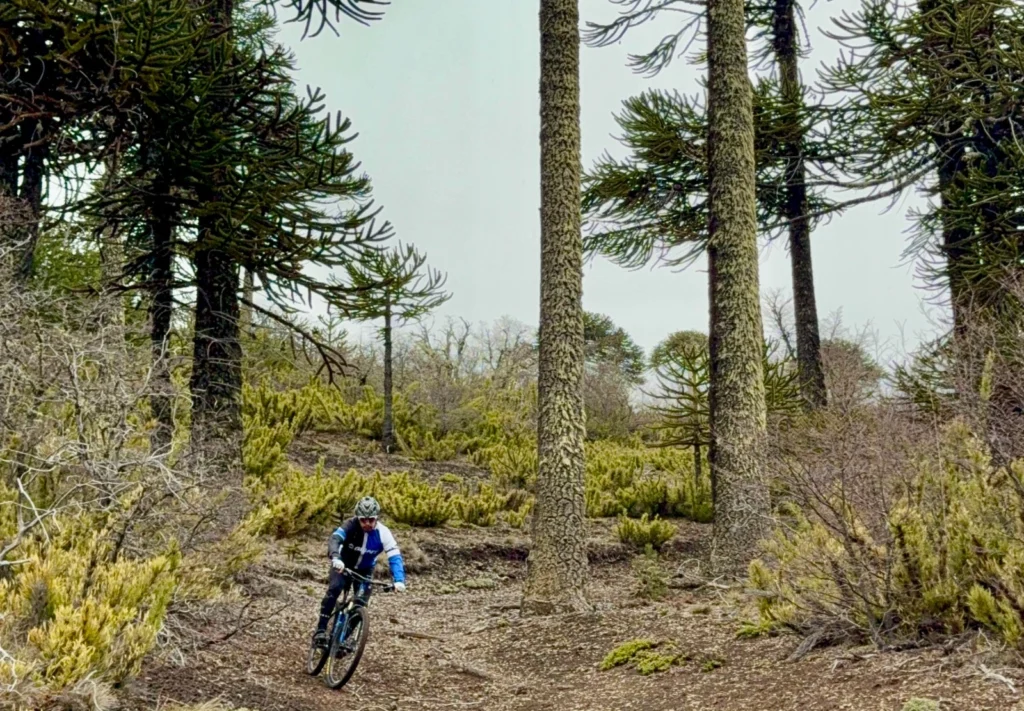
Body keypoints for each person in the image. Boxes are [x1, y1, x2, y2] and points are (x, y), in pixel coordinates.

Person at [313, 496, 407, 646]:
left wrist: (399, 580)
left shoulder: (383, 533)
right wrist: (336, 557)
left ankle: (341, 640)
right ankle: (321, 630)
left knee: (360, 604)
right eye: (363, 520)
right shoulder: (350, 525)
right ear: (358, 518)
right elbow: (335, 539)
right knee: (335, 588)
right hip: (343, 565)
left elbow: (395, 557)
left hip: (365, 570)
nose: (367, 524)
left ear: (377, 518)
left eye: (371, 520)